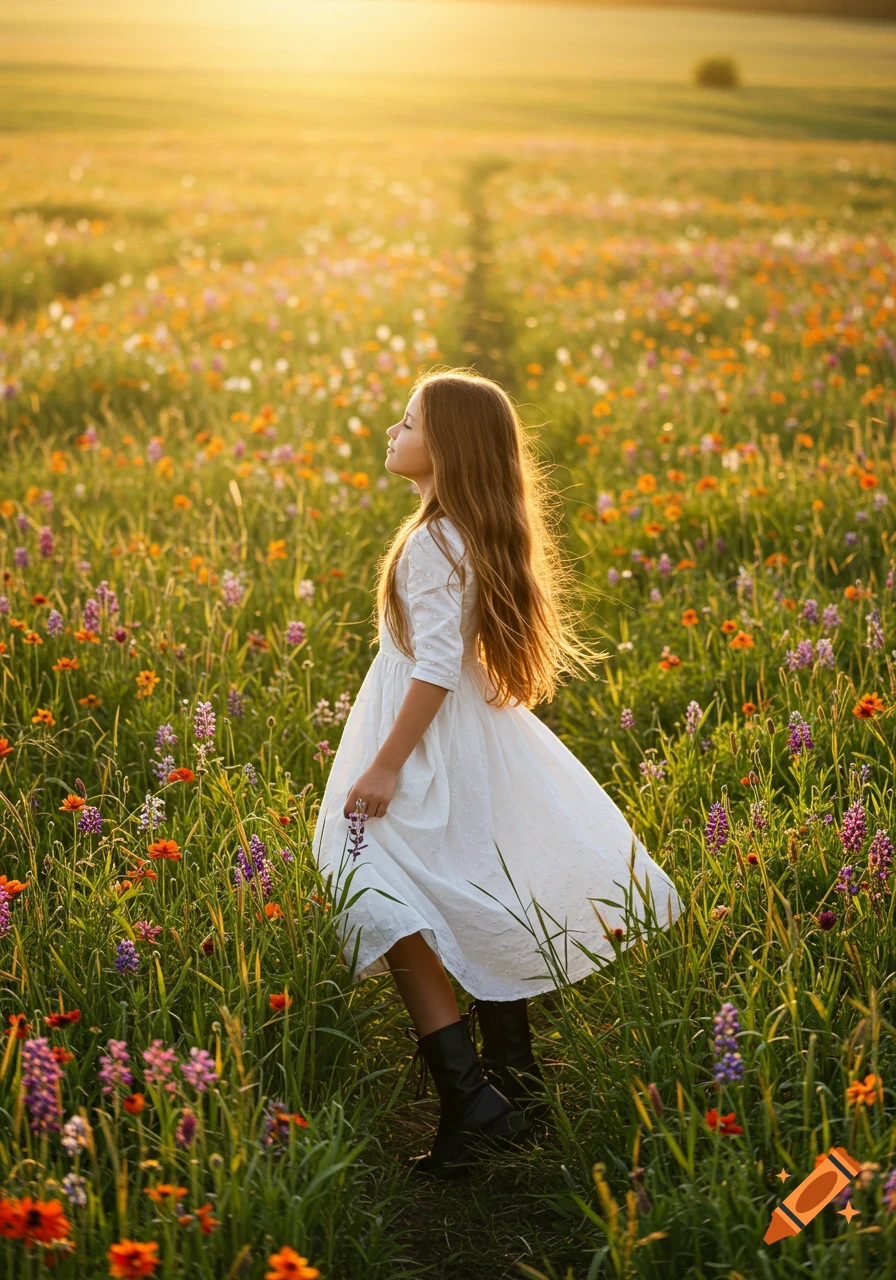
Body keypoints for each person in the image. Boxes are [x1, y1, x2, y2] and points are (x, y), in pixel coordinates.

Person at [312, 368, 684, 1178]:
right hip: (469, 743)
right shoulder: (457, 533)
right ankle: (513, 1079)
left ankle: (472, 1101)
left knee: (374, 892)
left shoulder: (431, 543)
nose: (391, 431)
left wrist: (382, 766)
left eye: (405, 421)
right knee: (473, 888)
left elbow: (437, 665)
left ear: (442, 445)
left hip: (427, 749)